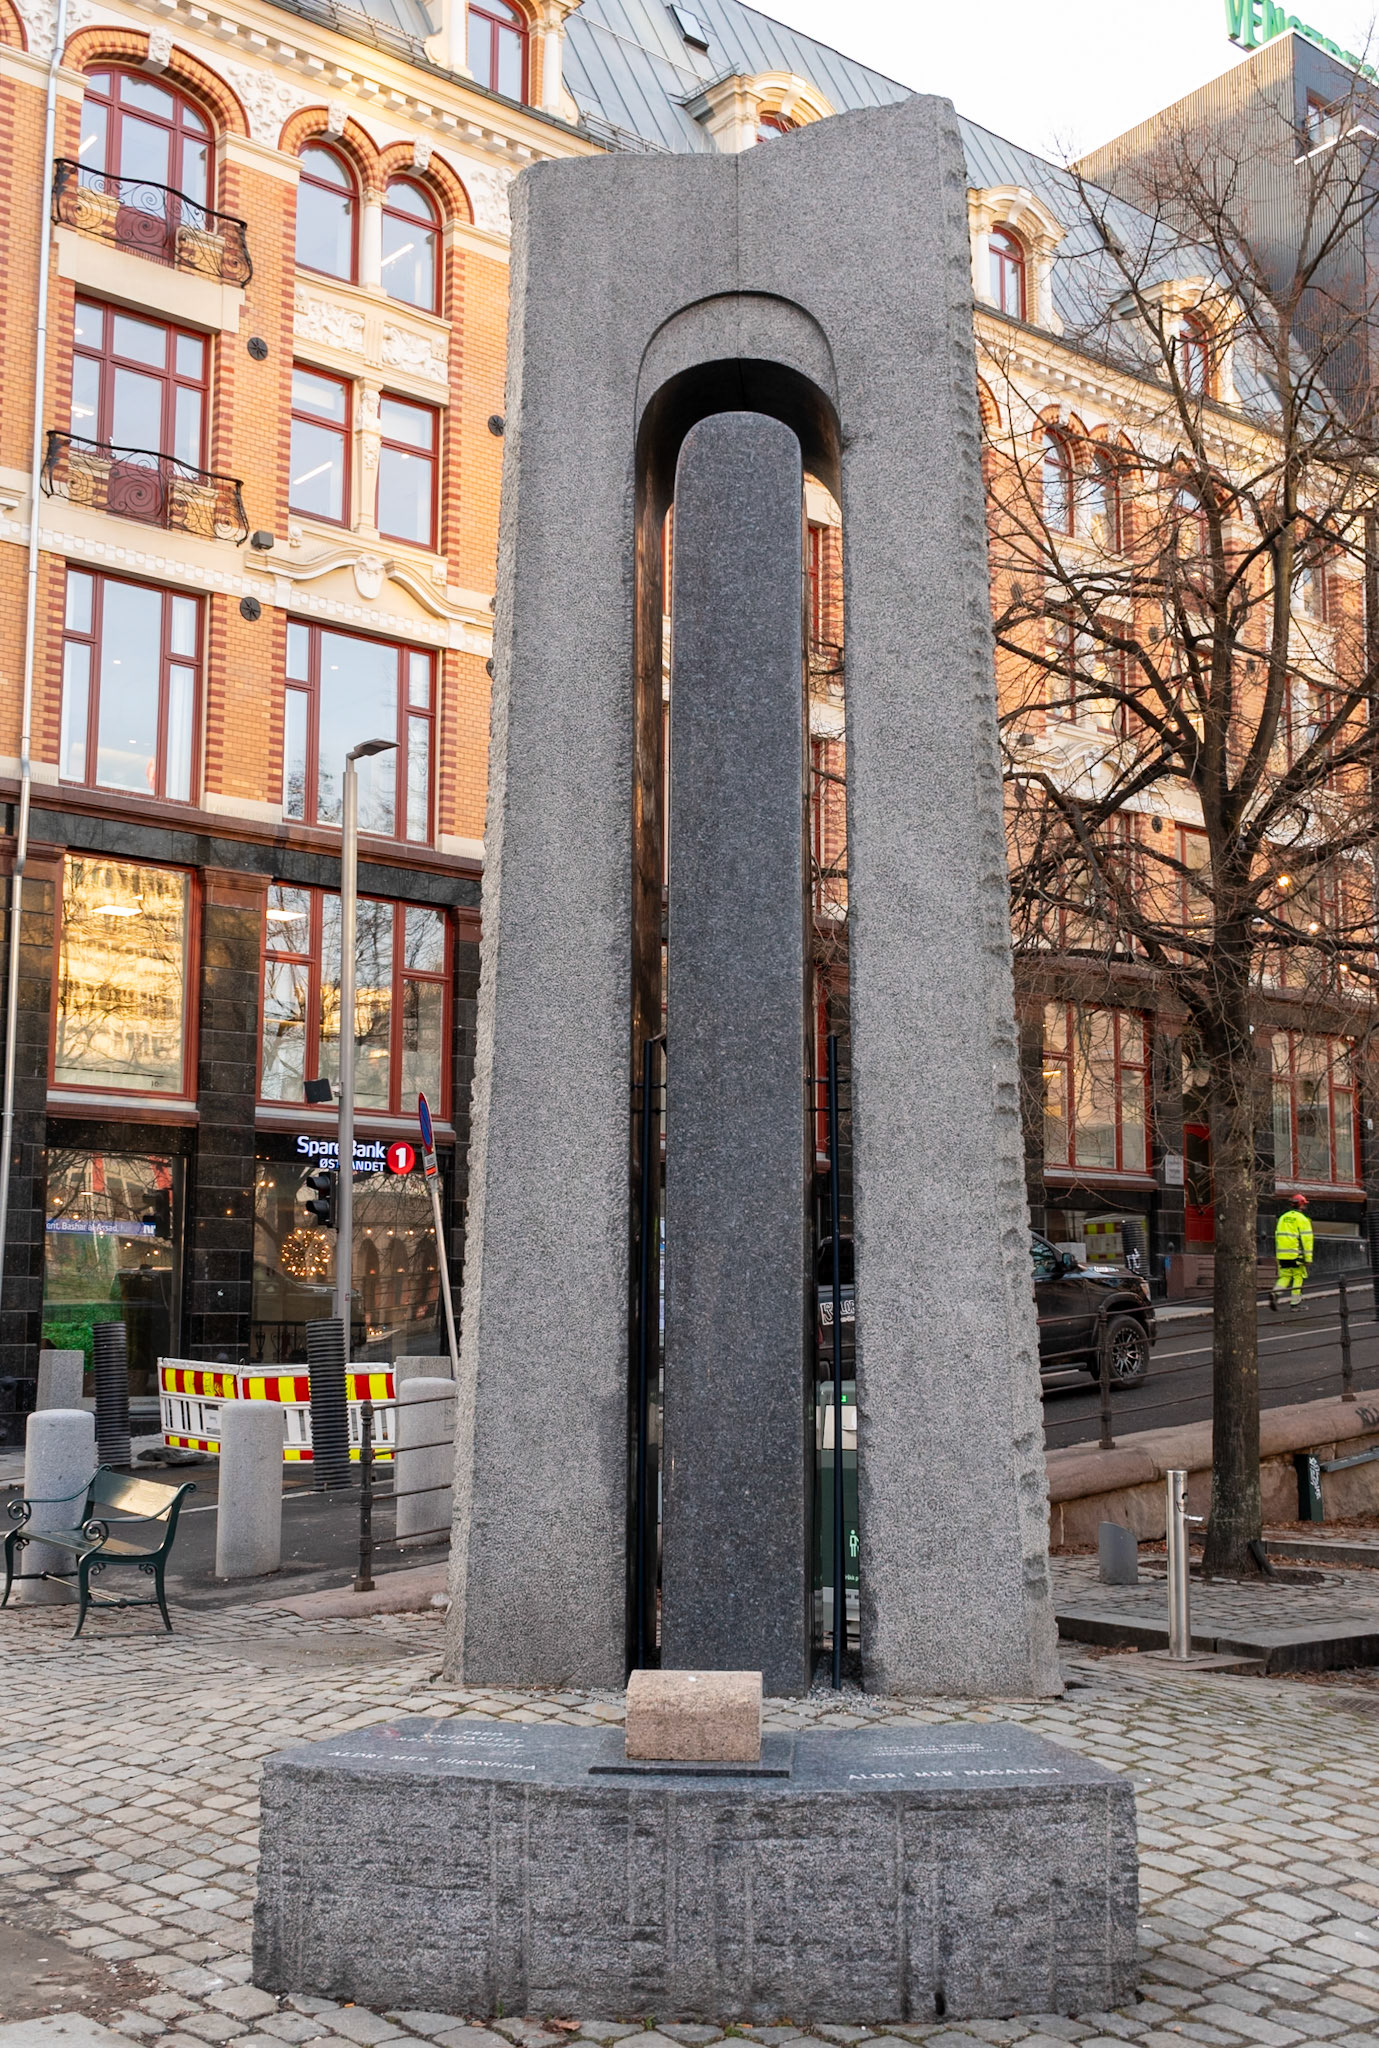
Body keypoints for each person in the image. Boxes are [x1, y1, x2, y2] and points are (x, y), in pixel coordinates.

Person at [1270, 1196, 1313, 1311]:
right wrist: (1308, 1258)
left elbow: (1278, 1236)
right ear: (1302, 1205)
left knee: (1285, 1276)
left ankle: (1275, 1293)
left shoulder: (1283, 1218)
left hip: (1282, 1255)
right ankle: (1295, 1304)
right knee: (1298, 1277)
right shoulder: (1303, 1219)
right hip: (1296, 1254)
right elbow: (1307, 1240)